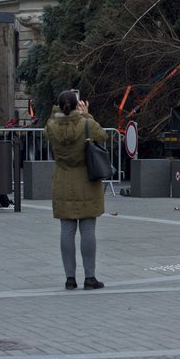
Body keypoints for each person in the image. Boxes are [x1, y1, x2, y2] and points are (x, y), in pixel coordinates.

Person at [43, 90, 108, 291]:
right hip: (87, 181)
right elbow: (104, 136)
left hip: (63, 182)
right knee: (88, 230)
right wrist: (86, 114)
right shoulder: (86, 124)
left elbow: (48, 132)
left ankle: (70, 278)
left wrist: (58, 112)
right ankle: (90, 277)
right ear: (77, 105)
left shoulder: (52, 126)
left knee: (66, 230)